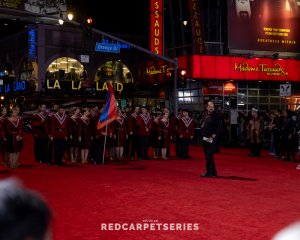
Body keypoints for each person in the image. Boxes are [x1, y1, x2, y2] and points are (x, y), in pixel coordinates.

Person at [200, 101, 219, 177]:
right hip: (205, 138)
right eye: (210, 106)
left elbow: (218, 128)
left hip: (211, 138)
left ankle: (209, 172)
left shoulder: (215, 116)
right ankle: (213, 172)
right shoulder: (206, 115)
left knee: (209, 156)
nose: (211, 107)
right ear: (206, 107)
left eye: (212, 106)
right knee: (208, 156)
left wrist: (212, 136)